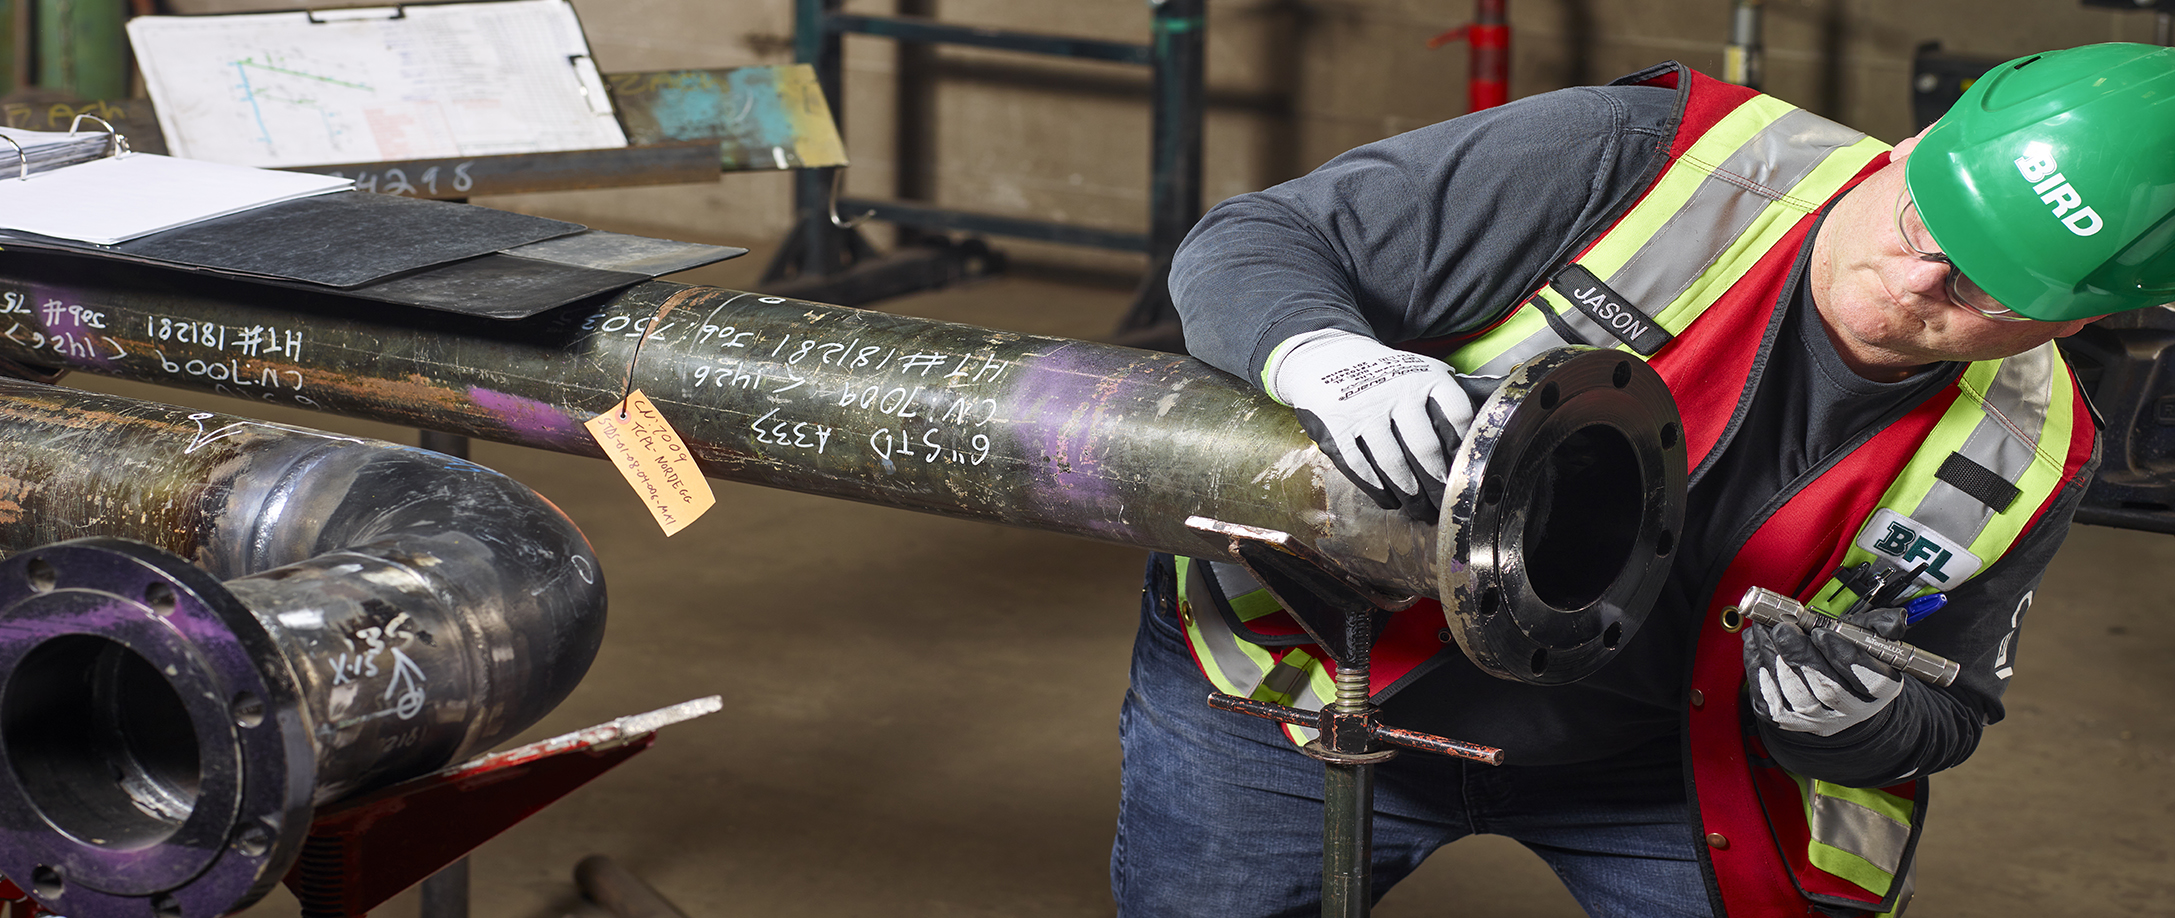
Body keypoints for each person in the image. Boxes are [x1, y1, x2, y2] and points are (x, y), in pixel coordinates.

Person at [1115, 44, 2175, 917]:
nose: (1910, 283)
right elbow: (1259, 238)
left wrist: (1849, 724)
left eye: (1979, 286)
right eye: (1919, 219)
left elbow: (1949, 708)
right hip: (1301, 676)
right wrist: (1324, 356)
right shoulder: (1649, 161)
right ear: (1913, 145)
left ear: (2072, 322)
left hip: (1656, 755)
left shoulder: (2032, 450)